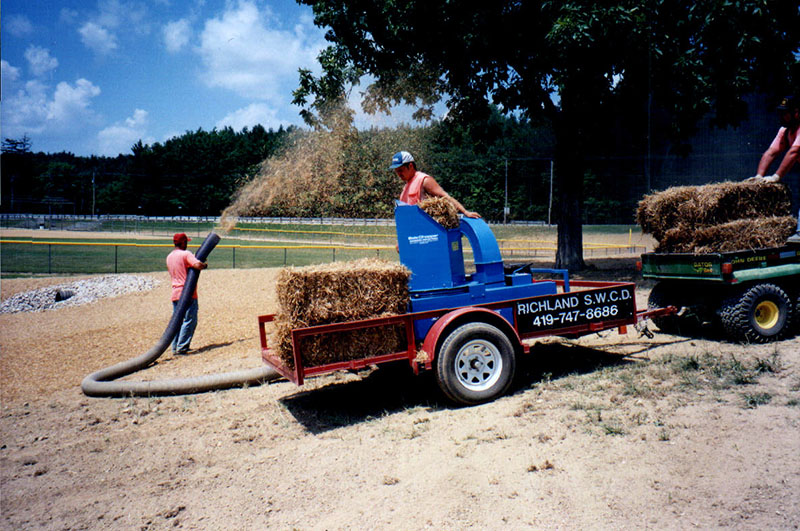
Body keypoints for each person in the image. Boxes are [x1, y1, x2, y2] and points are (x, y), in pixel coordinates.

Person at [748, 95, 800, 243]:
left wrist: (776, 176)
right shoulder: (784, 131)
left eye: (785, 113)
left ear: (796, 113)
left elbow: (794, 152)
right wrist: (759, 176)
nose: (781, 116)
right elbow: (771, 153)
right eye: (780, 112)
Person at [389, 151, 481, 218]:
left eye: (401, 170)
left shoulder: (424, 180)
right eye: (397, 171)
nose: (399, 174)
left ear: (410, 166)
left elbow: (445, 197)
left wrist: (465, 212)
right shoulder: (406, 187)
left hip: (424, 234)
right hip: (411, 234)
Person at [166, 233, 207, 354]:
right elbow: (197, 265)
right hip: (187, 293)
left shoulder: (169, 256)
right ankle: (182, 347)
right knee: (190, 320)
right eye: (186, 242)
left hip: (175, 293)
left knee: (177, 321)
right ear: (183, 242)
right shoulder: (186, 254)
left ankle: (175, 347)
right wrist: (204, 265)